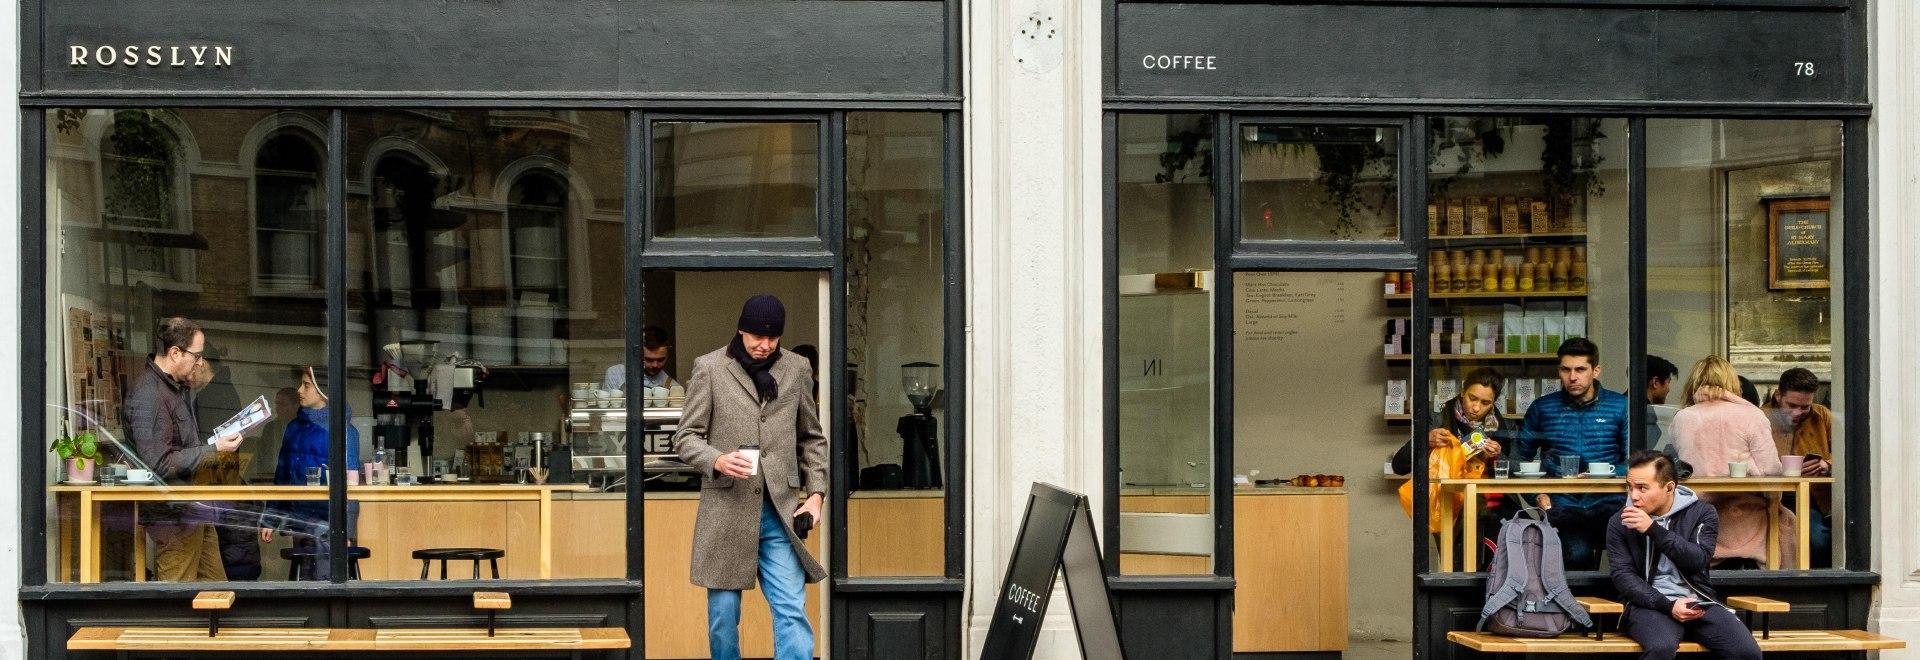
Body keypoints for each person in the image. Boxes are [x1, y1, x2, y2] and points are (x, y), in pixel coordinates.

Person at [672, 295, 828, 660]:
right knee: (723, 619)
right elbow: (685, 437)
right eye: (758, 336)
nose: (765, 345)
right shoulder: (710, 368)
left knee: (792, 609)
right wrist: (717, 459)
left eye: (773, 338)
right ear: (741, 328)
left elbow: (812, 437)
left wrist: (816, 493)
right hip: (727, 509)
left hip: (780, 511)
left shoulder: (797, 368)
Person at [1608, 450, 1762, 660]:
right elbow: (1623, 577)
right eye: (1630, 486)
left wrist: (1654, 530)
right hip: (1649, 604)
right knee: (1661, 647)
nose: (1633, 495)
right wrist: (1668, 605)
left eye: (1642, 488)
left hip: (1698, 601)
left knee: (1747, 653)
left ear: (1669, 487)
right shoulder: (1620, 521)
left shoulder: (1702, 513)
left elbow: (1698, 560)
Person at [126, 317, 244, 582]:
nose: (200, 362)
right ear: (175, 353)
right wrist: (213, 448)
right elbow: (158, 463)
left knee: (217, 594)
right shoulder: (150, 394)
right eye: (197, 355)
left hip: (194, 510)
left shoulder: (174, 388)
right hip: (175, 518)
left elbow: (183, 447)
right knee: (176, 607)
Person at [1511, 337, 1630, 570]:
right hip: (1563, 504)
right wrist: (1538, 494)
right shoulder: (1542, 408)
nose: (1573, 377)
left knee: (1627, 564)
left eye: (1580, 369)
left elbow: (1636, 460)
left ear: (1595, 370)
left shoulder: (1620, 405)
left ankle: (1616, 607)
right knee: (1577, 556)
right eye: (1566, 370)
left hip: (1610, 502)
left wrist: (1606, 473)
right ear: (1559, 371)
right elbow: (1518, 460)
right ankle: (1579, 607)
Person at [1670, 356, 1794, 569]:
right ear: (1731, 383)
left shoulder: (1682, 418)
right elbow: (1771, 471)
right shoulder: (1751, 415)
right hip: (1745, 517)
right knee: (1789, 521)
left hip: (1696, 516)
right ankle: (1788, 590)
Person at [1392, 367, 1508, 569]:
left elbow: (1513, 468)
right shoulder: (1437, 418)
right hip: (1447, 505)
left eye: (1485, 403)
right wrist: (1425, 440)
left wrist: (1497, 457)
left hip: (1488, 509)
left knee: (1492, 568)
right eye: (1473, 398)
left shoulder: (1499, 425)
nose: (1476, 408)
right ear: (1462, 391)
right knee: (1454, 567)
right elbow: (1399, 465)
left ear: (1493, 403)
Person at [261, 367, 361, 580]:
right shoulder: (293, 427)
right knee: (305, 584)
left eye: (306, 385)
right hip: (300, 520)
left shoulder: (344, 431)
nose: (299, 390)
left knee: (327, 585)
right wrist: (271, 518)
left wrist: (348, 531)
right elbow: (282, 477)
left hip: (330, 524)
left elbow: (350, 487)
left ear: (324, 392)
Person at [1763, 367, 1833, 566]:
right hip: (1770, 498)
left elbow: (1848, 450)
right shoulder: (1760, 417)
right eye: (1791, 405)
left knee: (1819, 541)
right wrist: (1780, 470)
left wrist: (1826, 464)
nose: (1797, 413)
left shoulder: (1822, 416)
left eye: (1805, 407)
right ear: (1778, 395)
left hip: (1814, 498)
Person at [605, 326, 678, 392]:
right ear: (638, 355)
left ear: (667, 356)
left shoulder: (673, 387)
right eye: (649, 360)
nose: (655, 365)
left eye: (660, 360)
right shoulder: (616, 374)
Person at [1645, 355, 1678, 450]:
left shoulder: (1622, 407)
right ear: (1655, 382)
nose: (1669, 389)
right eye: (1668, 382)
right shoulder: (1644, 414)